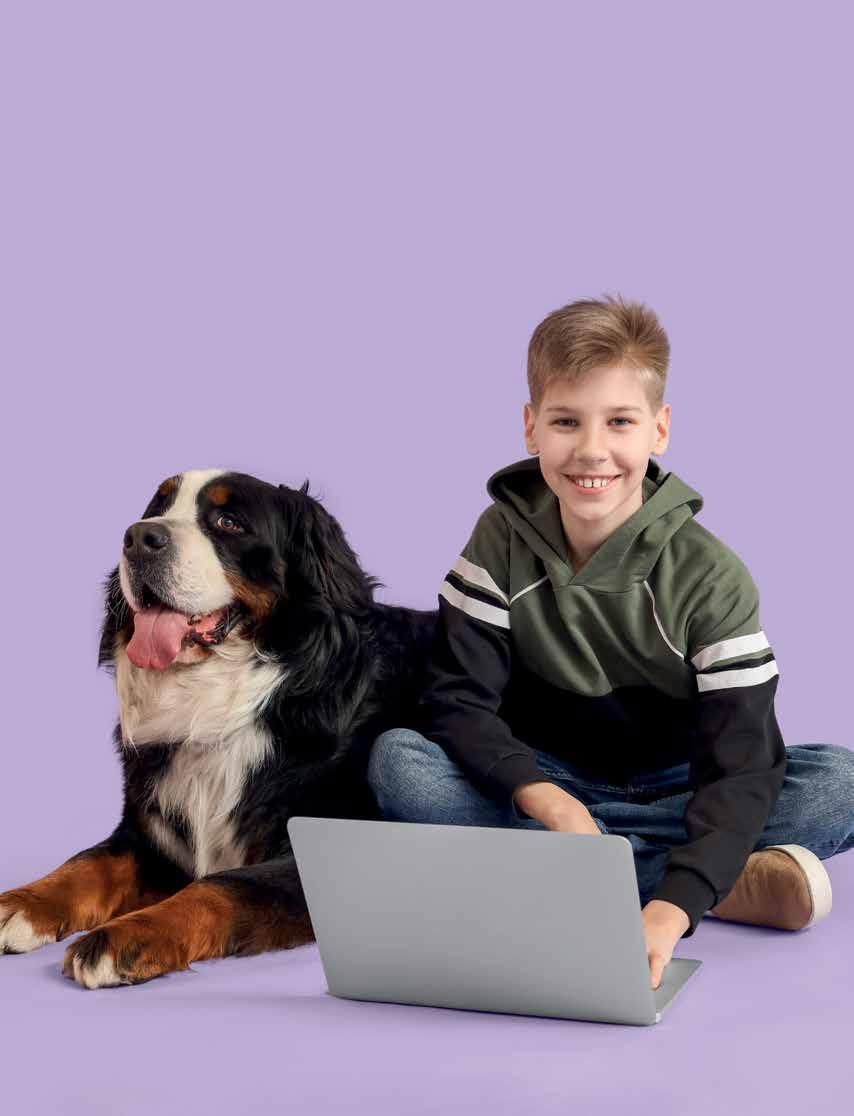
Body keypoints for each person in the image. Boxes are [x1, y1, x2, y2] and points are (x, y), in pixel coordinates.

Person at [367, 294, 854, 991]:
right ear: (531, 427)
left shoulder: (711, 578)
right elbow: (458, 701)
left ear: (659, 429)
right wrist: (545, 798)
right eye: (566, 421)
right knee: (399, 765)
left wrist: (665, 918)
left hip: (679, 785)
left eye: (619, 421)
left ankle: (637, 882)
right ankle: (714, 880)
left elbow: (742, 767)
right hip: (545, 778)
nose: (592, 450)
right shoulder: (499, 539)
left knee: (840, 784)